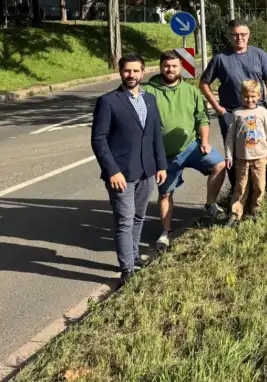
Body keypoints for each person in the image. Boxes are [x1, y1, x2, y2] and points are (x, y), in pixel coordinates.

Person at [91, 54, 167, 287]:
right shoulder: (108, 101)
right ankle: (126, 269)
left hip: (146, 171)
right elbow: (99, 139)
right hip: (121, 174)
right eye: (127, 71)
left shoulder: (151, 100)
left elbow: (155, 135)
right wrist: (112, 171)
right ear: (120, 72)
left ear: (143, 72)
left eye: (136, 71)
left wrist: (161, 164)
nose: (131, 75)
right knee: (124, 220)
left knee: (138, 216)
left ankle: (134, 257)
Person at [144, 51, 228, 251]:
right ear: (160, 66)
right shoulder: (148, 91)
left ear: (180, 67)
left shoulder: (190, 91)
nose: (170, 69)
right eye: (166, 66)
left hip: (191, 146)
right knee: (165, 194)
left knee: (219, 164)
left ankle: (210, 204)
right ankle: (166, 233)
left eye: (174, 66)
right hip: (164, 155)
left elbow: (202, 118)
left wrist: (205, 141)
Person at [199, 19, 267, 186]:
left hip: (258, 112)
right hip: (231, 114)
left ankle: (264, 189)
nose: (239, 38)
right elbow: (203, 83)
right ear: (229, 36)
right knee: (234, 154)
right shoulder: (220, 58)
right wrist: (218, 108)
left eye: (243, 34)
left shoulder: (259, 54)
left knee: (261, 149)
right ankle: (237, 192)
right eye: (235, 35)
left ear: (249, 35)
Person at [224, 80, 267, 226]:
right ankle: (235, 214)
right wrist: (228, 155)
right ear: (241, 96)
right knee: (240, 186)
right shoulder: (237, 113)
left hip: (260, 157)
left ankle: (256, 210)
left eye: (253, 96)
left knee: (259, 185)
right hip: (242, 158)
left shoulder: (263, 112)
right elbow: (230, 136)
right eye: (246, 96)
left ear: (259, 96)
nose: (250, 99)